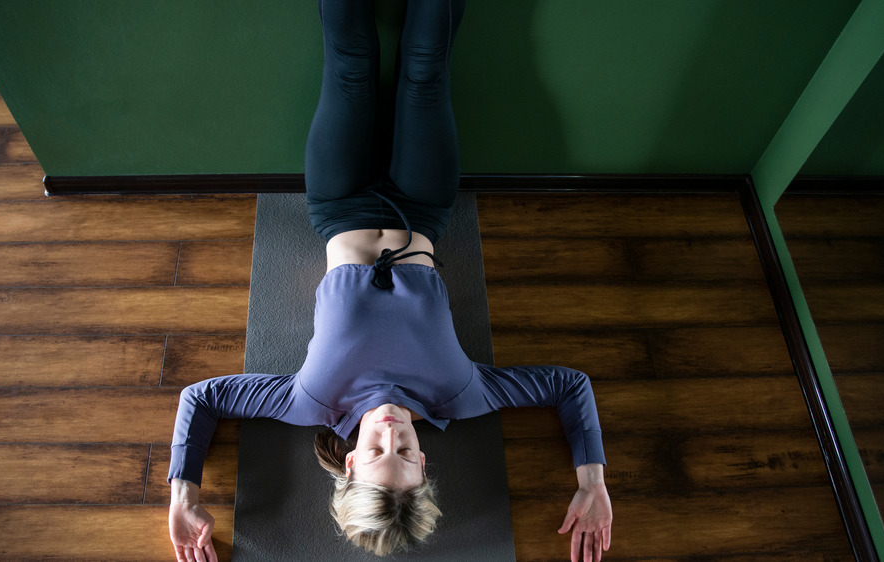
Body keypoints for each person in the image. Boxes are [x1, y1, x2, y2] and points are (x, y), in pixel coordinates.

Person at [167, 1, 613, 561]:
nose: (391, 431)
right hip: (421, 209)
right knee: (425, 69)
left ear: (350, 461)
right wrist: (592, 481)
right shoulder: (460, 394)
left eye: (378, 450)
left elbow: (202, 397)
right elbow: (569, 386)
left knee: (351, 65)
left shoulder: (310, 400)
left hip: (338, 203)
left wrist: (184, 491)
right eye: (407, 451)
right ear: (424, 462)